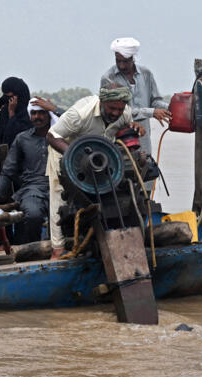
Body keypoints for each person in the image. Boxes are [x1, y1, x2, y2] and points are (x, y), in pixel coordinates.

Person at [45, 85, 144, 259]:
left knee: (107, 192)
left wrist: (135, 127)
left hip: (99, 159)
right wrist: (73, 155)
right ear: (102, 101)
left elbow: (124, 130)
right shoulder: (79, 114)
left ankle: (108, 238)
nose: (115, 113)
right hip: (65, 154)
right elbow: (52, 135)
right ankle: (58, 249)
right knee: (60, 197)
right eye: (112, 108)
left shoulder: (125, 113)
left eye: (119, 109)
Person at [0, 99, 57, 244]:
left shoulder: (61, 137)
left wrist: (55, 108)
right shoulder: (22, 139)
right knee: (32, 215)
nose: (37, 117)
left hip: (58, 187)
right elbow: (7, 172)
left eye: (42, 113)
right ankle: (35, 249)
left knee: (66, 214)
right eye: (34, 113)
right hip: (33, 189)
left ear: (49, 115)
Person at [100, 37, 171, 156]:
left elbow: (155, 101)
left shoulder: (146, 74)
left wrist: (171, 108)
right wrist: (151, 112)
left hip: (143, 136)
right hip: (119, 137)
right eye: (118, 61)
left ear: (133, 58)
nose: (121, 65)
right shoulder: (108, 78)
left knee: (146, 168)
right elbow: (117, 112)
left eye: (125, 61)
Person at [0, 77, 32, 164]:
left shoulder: (29, 113)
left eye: (11, 97)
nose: (8, 99)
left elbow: (17, 133)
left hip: (18, 157)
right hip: (0, 154)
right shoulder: (5, 109)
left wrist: (12, 113)